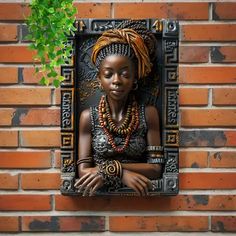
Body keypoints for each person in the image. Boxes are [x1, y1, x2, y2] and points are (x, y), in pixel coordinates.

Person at [74, 20, 163, 196]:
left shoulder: (148, 114)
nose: (116, 80)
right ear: (99, 80)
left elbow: (155, 168)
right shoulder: (88, 117)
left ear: (135, 79)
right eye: (108, 74)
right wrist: (122, 174)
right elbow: (83, 172)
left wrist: (110, 170)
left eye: (125, 74)